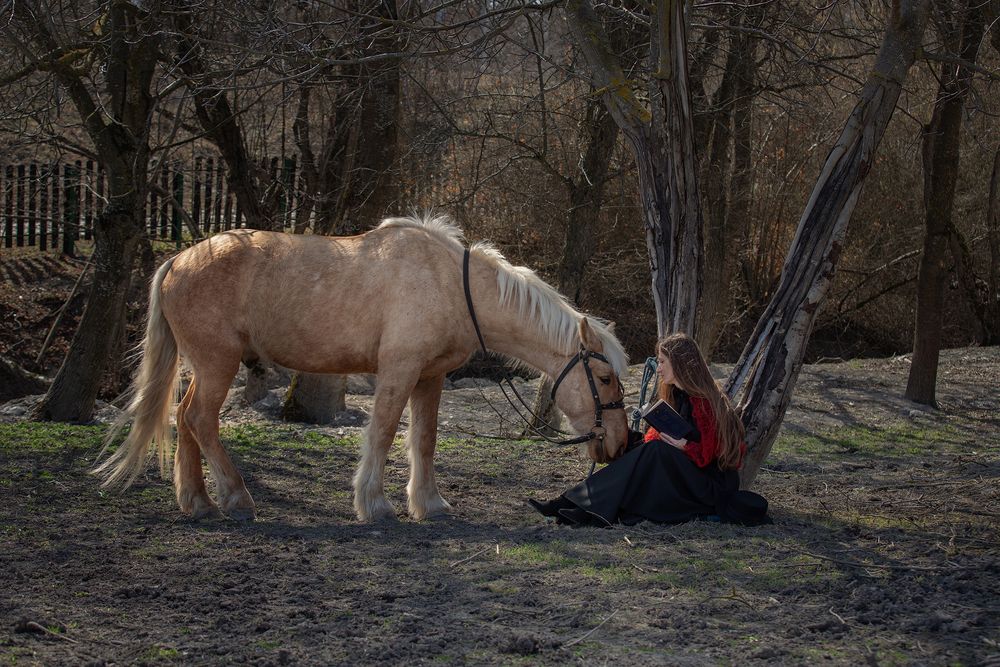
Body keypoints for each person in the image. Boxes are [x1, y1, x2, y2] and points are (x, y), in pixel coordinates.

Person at [529, 332, 770, 527]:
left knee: (655, 451)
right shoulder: (677, 396)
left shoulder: (707, 401)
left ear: (680, 363)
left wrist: (685, 447)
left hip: (710, 487)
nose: (660, 367)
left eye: (663, 361)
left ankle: (574, 502)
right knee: (644, 448)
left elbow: (721, 453)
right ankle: (579, 507)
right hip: (684, 478)